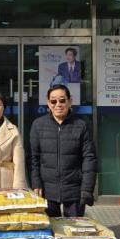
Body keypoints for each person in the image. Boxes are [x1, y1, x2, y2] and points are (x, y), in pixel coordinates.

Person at [30, 84, 97, 217]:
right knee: (49, 228)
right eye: (53, 101)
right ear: (48, 103)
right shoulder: (38, 125)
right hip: (46, 190)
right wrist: (36, 183)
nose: (58, 105)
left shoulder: (81, 125)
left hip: (74, 190)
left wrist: (86, 189)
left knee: (74, 228)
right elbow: (33, 158)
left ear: (69, 101)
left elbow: (89, 158)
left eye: (62, 100)